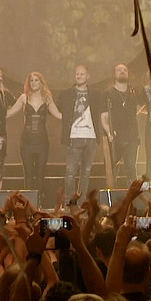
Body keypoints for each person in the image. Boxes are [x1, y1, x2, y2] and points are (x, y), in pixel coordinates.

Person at [6, 72, 62, 193]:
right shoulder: (24, 98)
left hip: (42, 142)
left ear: (41, 83)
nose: (34, 83)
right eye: (31, 80)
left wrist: (75, 115)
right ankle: (29, 204)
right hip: (27, 142)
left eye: (36, 80)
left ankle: (39, 205)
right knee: (29, 174)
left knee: (41, 174)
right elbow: (9, 113)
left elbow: (58, 115)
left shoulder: (47, 98)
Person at [57, 65, 104, 201]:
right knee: (70, 172)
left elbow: (101, 113)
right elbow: (60, 110)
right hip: (74, 137)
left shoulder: (96, 94)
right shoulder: (67, 94)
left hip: (91, 138)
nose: (79, 76)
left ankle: (82, 201)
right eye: (77, 74)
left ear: (88, 76)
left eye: (82, 74)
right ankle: (68, 202)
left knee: (86, 172)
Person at [101, 64, 140, 181]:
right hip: (115, 136)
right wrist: (109, 132)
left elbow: (140, 108)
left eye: (125, 70)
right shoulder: (107, 93)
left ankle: (133, 197)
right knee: (111, 170)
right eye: (119, 70)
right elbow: (103, 117)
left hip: (132, 136)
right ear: (114, 74)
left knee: (131, 169)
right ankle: (111, 198)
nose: (122, 72)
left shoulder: (134, 92)